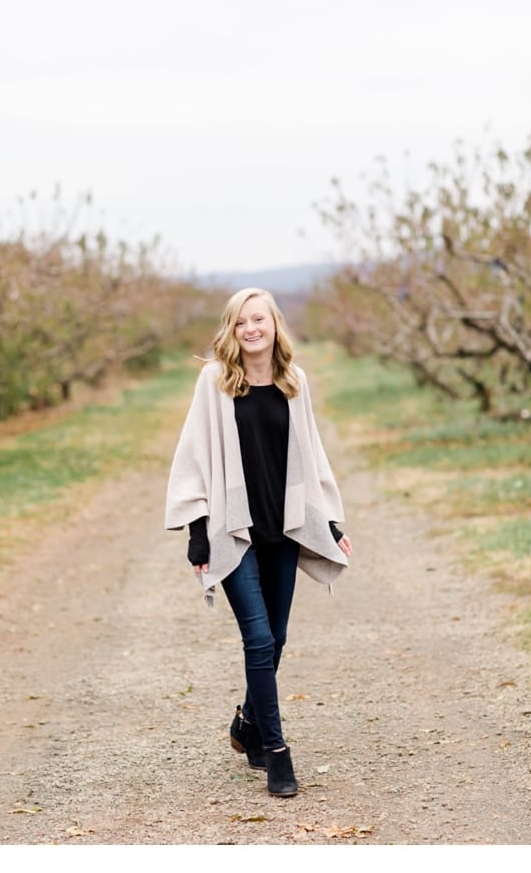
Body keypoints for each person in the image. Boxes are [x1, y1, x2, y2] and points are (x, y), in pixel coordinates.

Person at [165, 287, 353, 798]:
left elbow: (312, 455)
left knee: (279, 635)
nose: (251, 329)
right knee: (259, 639)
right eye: (241, 321)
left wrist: (330, 522)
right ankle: (275, 752)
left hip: (282, 527)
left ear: (274, 325)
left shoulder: (295, 382)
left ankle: (247, 724)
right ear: (231, 329)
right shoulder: (216, 381)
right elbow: (194, 452)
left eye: (260, 320)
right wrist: (197, 530)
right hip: (235, 528)